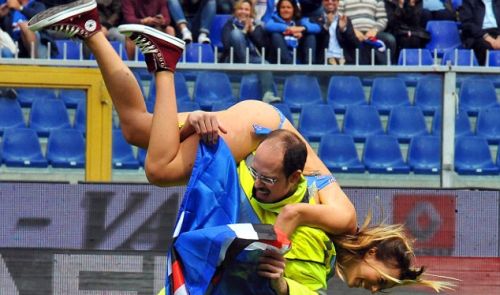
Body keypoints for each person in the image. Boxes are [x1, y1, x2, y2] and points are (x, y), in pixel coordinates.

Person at [28, 1, 455, 293]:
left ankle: (91, 30)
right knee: (159, 169)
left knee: (140, 129)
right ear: (376, 253)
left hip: (260, 135)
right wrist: (275, 252)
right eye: (381, 280)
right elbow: (289, 213)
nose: (371, 288)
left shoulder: (329, 251)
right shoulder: (342, 218)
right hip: (263, 135)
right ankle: (165, 63)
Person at [222, 0, 280, 102]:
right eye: (240, 9)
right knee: (236, 33)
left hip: (252, 58)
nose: (243, 12)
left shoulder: (257, 26)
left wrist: (252, 31)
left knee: (264, 63)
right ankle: (246, 65)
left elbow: (264, 46)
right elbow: (227, 45)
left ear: (251, 12)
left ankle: (268, 94)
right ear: (235, 11)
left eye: (246, 9)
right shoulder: (229, 25)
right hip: (234, 59)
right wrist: (244, 31)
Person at [338, 0, 397, 64]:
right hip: (351, 33)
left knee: (390, 39)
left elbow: (382, 19)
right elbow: (338, 17)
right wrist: (351, 29)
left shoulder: (378, 1)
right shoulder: (342, 1)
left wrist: (375, 29)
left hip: (372, 33)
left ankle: (386, 69)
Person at [314, 0, 360, 65]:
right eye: (326, 0)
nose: (330, 2)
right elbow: (315, 43)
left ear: (338, 2)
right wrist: (326, 26)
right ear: (322, 2)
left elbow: (354, 44)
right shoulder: (316, 20)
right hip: (324, 61)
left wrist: (343, 30)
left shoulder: (344, 19)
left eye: (333, 0)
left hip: (344, 60)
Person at [460, 0, 500, 65]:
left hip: (497, 33)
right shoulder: (469, 2)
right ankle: (486, 73)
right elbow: (467, 24)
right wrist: (490, 40)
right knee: (484, 47)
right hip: (478, 35)